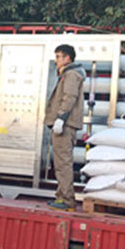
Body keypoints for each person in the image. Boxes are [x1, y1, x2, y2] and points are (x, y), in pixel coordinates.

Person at [44, 44, 85, 211]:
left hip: (65, 124)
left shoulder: (71, 74)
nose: (56, 60)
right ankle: (61, 196)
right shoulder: (68, 74)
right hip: (65, 124)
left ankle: (67, 200)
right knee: (61, 162)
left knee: (63, 163)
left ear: (67, 57)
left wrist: (61, 118)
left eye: (58, 57)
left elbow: (69, 97)